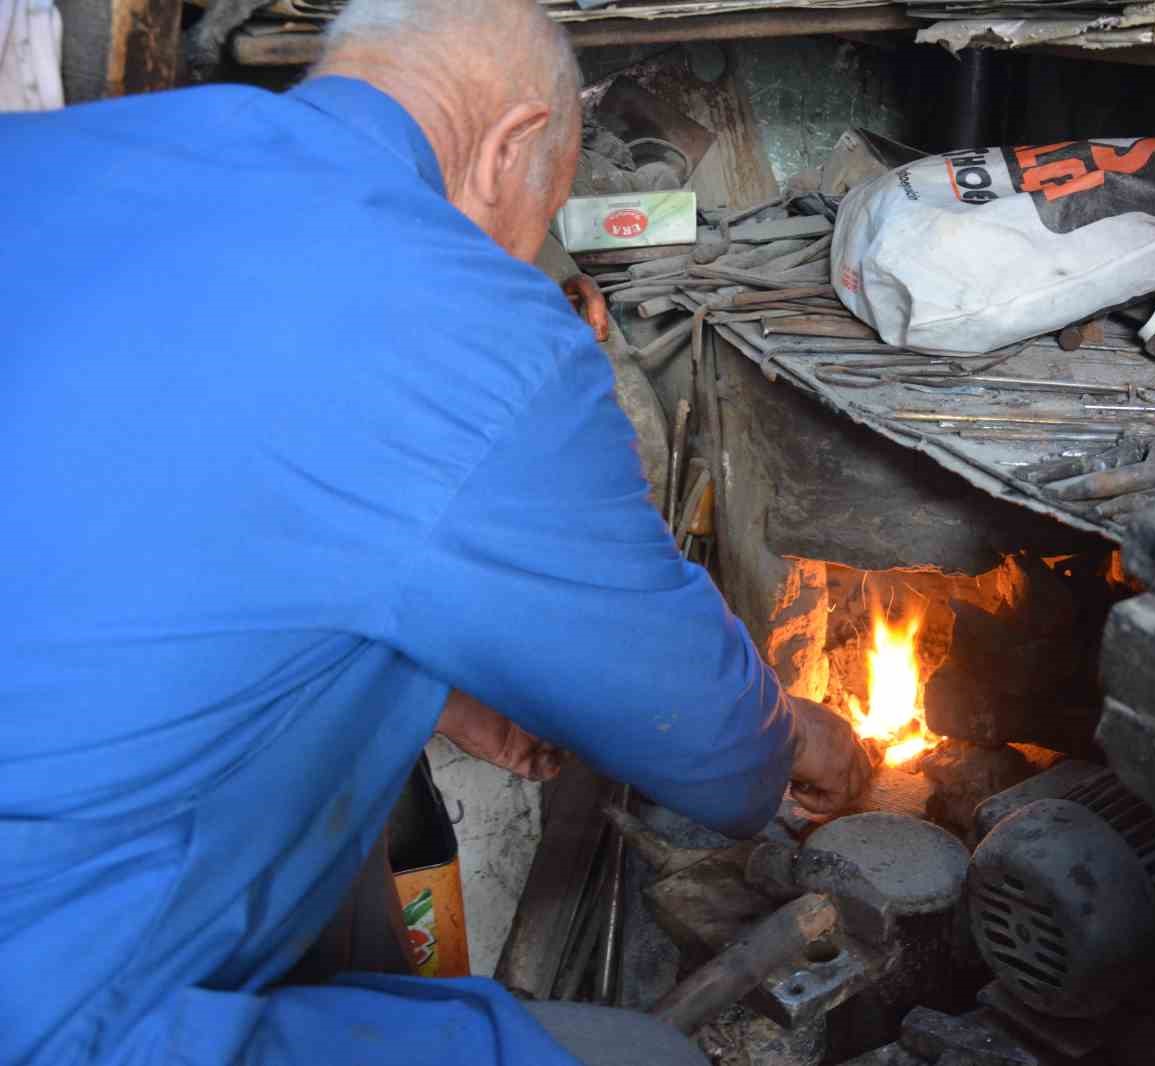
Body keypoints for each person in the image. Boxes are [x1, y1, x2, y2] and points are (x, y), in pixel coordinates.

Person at [0, 1, 873, 1063]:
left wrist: (438, 690)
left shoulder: (55, 154)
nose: (525, 265)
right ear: (511, 145)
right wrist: (799, 735)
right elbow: (708, 745)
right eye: (539, 218)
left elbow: (134, 536)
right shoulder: (472, 324)